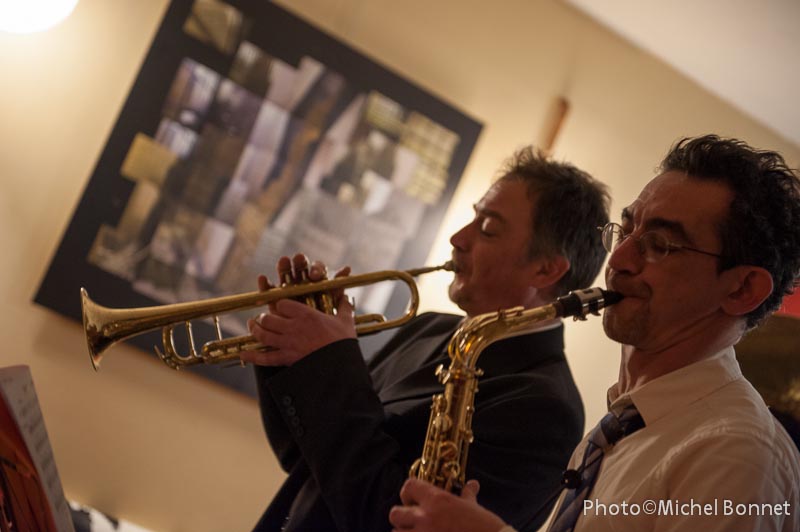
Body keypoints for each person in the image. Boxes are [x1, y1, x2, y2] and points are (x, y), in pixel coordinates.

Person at [388, 134, 800, 532]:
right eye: (626, 230)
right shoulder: (626, 422)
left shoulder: (739, 454)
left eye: (659, 243)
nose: (618, 259)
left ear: (742, 289)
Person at [239, 146, 611, 532]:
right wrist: (288, 349)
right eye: (473, 218)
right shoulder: (429, 327)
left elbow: (388, 519)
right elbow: (304, 456)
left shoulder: (547, 412)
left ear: (546, 270)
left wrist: (330, 362)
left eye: (488, 228)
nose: (457, 238)